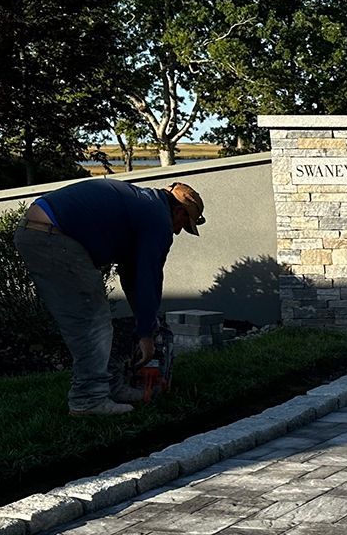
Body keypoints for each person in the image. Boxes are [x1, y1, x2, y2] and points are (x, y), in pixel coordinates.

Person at [14, 178, 205, 416]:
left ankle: (111, 387)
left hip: (42, 232)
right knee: (90, 319)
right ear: (178, 211)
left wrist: (146, 324)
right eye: (182, 224)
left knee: (96, 315)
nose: (177, 231)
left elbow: (133, 276)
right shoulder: (158, 219)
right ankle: (88, 399)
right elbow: (149, 277)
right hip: (52, 237)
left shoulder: (144, 206)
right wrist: (146, 334)